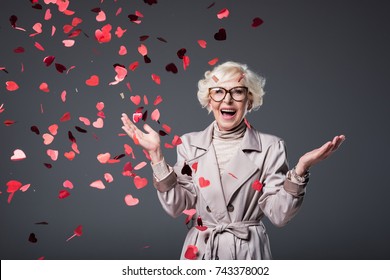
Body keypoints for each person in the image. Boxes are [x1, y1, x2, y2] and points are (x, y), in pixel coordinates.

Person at [121, 61, 345, 260]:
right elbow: (176, 206)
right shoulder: (189, 144)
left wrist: (300, 170)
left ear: (249, 101)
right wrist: (156, 155)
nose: (227, 99)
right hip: (201, 252)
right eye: (218, 91)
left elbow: (279, 215)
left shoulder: (271, 146)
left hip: (247, 253)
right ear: (210, 101)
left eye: (237, 92)